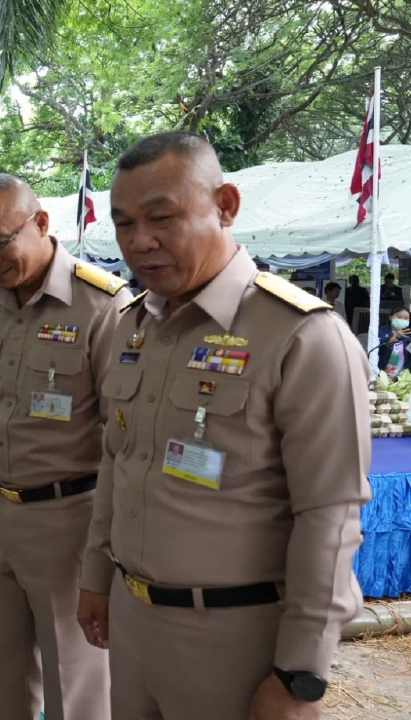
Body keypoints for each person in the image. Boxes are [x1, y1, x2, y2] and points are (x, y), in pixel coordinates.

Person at [77, 131, 371, 720]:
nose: (140, 242)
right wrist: (95, 575)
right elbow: (120, 458)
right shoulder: (137, 325)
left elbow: (329, 516)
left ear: (227, 205)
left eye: (161, 218)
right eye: (124, 224)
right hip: (133, 623)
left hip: (236, 640)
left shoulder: (301, 336)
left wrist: (298, 675)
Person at [0, 177, 129, 720]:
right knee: (1, 670)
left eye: (0, 243)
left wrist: (106, 551)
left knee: (75, 678)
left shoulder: (103, 306)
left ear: (41, 224)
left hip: (69, 519)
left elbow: (124, 445)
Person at [378, 305, 411, 377]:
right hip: (381, 374)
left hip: (402, 377)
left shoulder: (409, 335)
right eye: (399, 317)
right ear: (390, 317)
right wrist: (396, 338)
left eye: (406, 318)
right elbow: (379, 348)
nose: (402, 320)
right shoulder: (381, 331)